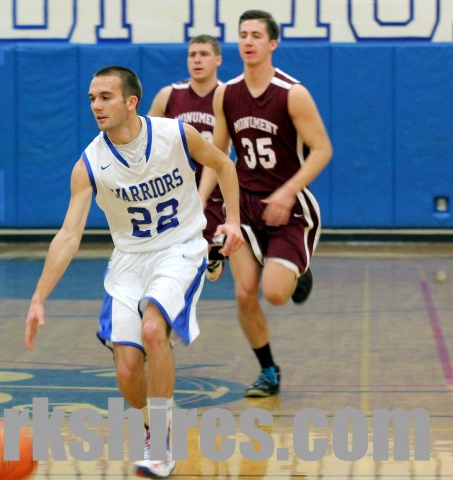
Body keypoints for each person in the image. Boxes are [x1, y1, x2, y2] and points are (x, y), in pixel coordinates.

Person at [24, 66, 244, 478]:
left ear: (131, 102)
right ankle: (154, 423)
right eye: (92, 99)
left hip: (180, 248)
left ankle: (160, 445)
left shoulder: (175, 135)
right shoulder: (90, 163)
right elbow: (69, 235)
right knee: (127, 371)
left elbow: (224, 165)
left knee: (153, 329)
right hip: (129, 260)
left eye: (105, 97)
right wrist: (39, 296)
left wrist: (232, 221)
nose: (96, 106)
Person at [199, 10, 332, 397]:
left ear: (272, 44)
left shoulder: (292, 93)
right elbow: (217, 155)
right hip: (244, 206)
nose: (248, 41)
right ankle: (268, 371)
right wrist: (200, 201)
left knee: (274, 293)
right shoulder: (227, 93)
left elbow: (323, 149)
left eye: (256, 35)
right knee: (244, 293)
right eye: (243, 34)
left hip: (289, 207)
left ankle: (296, 272)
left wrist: (288, 191)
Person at [148, 35, 228, 282]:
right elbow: (147, 139)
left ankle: (214, 251)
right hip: (175, 186)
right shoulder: (168, 95)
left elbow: (221, 154)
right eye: (192, 55)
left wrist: (201, 196)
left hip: (213, 188)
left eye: (204, 54)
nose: (197, 60)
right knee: (172, 260)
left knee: (207, 253)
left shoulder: (226, 95)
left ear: (218, 60)